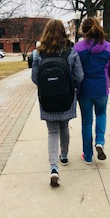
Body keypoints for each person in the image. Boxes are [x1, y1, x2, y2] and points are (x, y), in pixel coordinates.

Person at [31, 19, 84, 187]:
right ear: (63, 32)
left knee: (52, 132)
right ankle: (64, 156)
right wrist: (69, 87)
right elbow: (79, 76)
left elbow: (34, 77)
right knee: (64, 127)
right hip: (66, 97)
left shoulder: (38, 53)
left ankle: (54, 168)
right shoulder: (70, 51)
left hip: (47, 99)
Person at [74, 17, 110, 164]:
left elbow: (73, 70)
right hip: (101, 88)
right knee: (101, 114)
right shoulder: (108, 48)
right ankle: (100, 142)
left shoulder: (77, 48)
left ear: (84, 30)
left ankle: (87, 156)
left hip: (84, 90)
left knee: (86, 122)